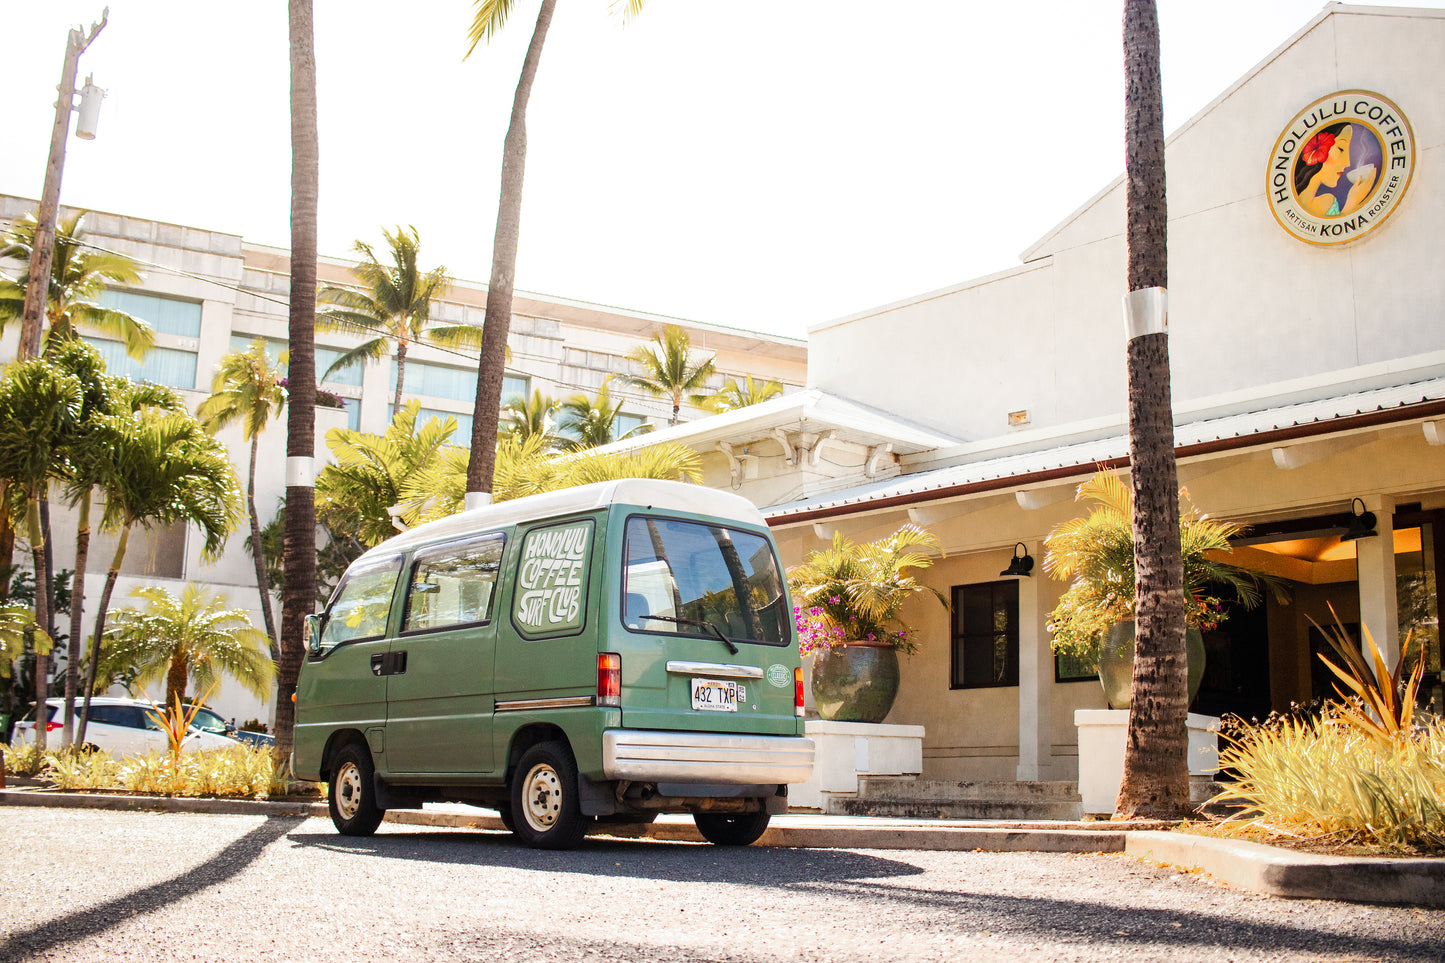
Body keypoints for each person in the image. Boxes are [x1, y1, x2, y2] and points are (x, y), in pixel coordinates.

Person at [1293, 122, 1378, 218]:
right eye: (1341, 149)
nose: (1347, 162)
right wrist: (1353, 201)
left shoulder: (1328, 202)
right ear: (1316, 149)